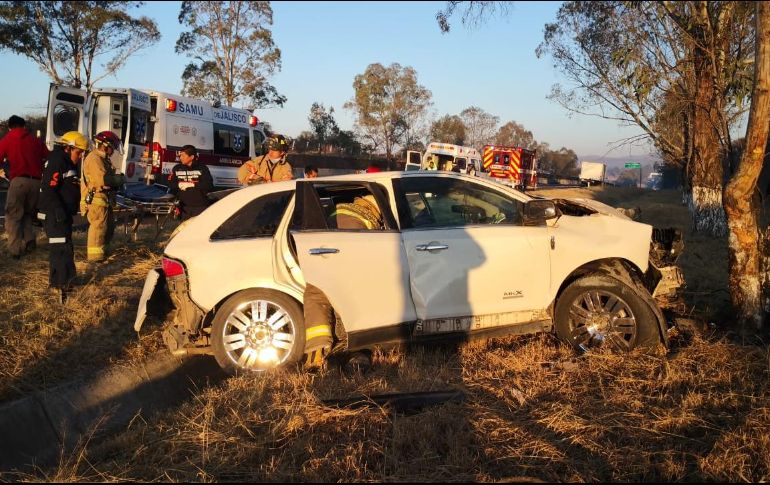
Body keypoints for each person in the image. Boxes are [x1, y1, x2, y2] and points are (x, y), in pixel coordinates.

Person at [303, 194, 383, 368]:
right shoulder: (366, 221)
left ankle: (315, 356)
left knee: (316, 300)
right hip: (346, 263)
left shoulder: (338, 211)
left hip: (320, 258)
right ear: (374, 208)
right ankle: (358, 353)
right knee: (355, 304)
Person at [38, 131, 88, 303]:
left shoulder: (66, 161)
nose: (80, 156)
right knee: (61, 249)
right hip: (55, 214)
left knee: (65, 246)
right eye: (78, 152)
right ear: (68, 148)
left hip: (62, 214)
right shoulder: (58, 161)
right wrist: (58, 210)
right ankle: (62, 286)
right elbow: (48, 188)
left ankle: (65, 280)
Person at [0, 115, 49, 259]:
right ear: (24, 126)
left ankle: (15, 251)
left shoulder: (8, 139)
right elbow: (47, 156)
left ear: (10, 127)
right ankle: (30, 241)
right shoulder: (35, 140)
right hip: (36, 182)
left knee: (13, 216)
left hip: (18, 181)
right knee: (28, 213)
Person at [81, 131, 125, 262]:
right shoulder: (94, 158)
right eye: (113, 147)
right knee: (98, 227)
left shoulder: (103, 159)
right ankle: (95, 259)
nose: (113, 151)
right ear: (106, 145)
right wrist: (117, 180)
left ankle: (103, 252)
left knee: (109, 226)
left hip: (104, 199)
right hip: (96, 199)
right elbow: (101, 180)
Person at [168, 145, 213, 220]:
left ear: (191, 157)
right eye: (180, 155)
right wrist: (178, 184)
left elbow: (209, 185)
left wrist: (192, 184)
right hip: (184, 208)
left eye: (183, 155)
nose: (180, 158)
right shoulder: (177, 168)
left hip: (200, 206)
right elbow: (170, 184)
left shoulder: (202, 168)